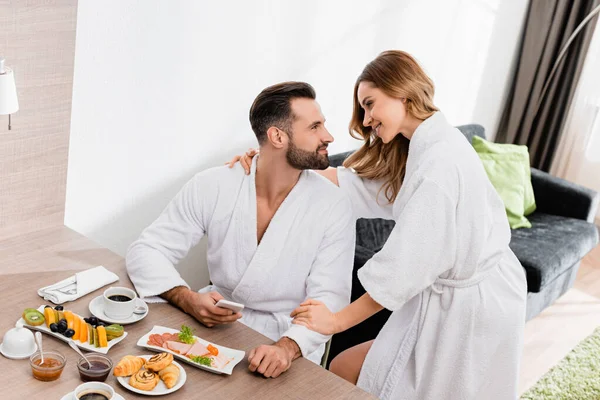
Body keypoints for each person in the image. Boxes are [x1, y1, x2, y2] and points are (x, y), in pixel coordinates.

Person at [230, 50, 527, 399]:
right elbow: (367, 188)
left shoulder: (438, 167)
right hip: (472, 294)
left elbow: (402, 268)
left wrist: (335, 321)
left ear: (402, 92)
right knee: (349, 368)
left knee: (356, 371)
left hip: (469, 309)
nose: (367, 119)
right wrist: (268, 162)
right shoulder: (428, 146)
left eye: (370, 104)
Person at [126, 82, 355, 379]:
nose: (328, 136)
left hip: (290, 340)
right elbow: (146, 250)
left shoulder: (333, 205)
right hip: (215, 330)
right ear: (277, 136)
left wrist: (287, 348)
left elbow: (330, 298)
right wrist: (187, 298)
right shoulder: (214, 185)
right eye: (315, 127)